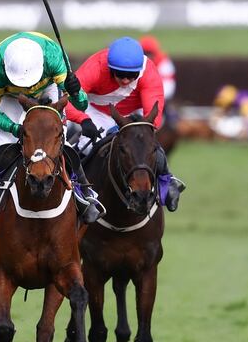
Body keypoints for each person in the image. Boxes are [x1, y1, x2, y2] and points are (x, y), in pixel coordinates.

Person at [0, 31, 105, 230]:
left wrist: (77, 93)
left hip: (46, 89)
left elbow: (81, 105)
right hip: (11, 97)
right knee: (4, 149)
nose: (28, 87)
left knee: (61, 145)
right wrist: (13, 128)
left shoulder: (54, 57)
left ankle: (86, 195)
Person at [65, 36, 185, 211]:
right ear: (110, 68)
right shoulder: (96, 67)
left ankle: (167, 181)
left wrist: (139, 129)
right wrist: (83, 120)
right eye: (120, 74)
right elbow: (65, 101)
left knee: (144, 141)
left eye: (132, 75)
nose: (126, 80)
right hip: (97, 110)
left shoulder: (148, 71)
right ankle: (76, 187)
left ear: (139, 70)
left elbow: (154, 115)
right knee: (86, 144)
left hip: (134, 112)